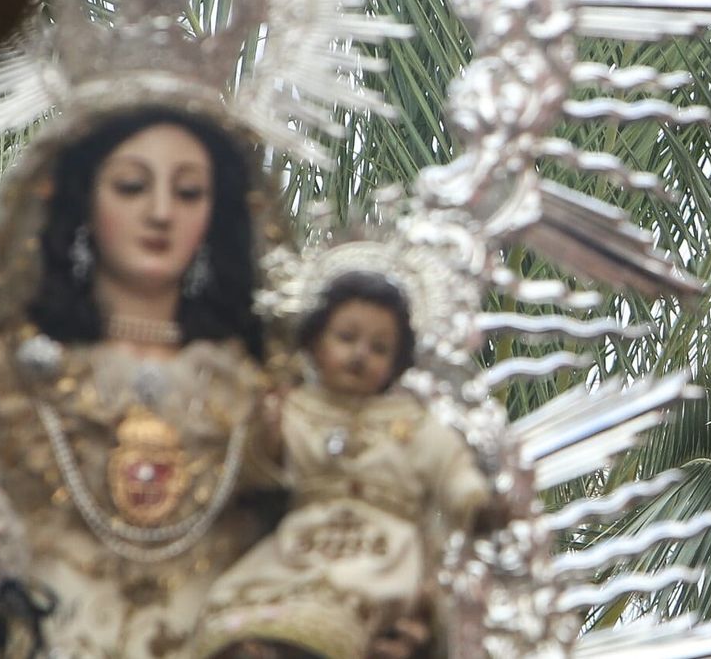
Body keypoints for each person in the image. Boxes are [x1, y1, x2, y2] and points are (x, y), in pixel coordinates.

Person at [0, 106, 284, 656]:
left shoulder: (254, 384)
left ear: (216, 213)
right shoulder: (12, 374)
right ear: (83, 199)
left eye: (189, 192)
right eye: (131, 186)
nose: (161, 213)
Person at [192, 271, 491, 659]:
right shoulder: (298, 408)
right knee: (239, 608)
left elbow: (451, 467)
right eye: (346, 338)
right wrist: (266, 432)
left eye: (379, 347)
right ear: (315, 343)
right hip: (301, 544)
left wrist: (474, 501)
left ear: (397, 363)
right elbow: (256, 468)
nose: (360, 355)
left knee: (332, 617)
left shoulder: (412, 423)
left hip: (377, 552)